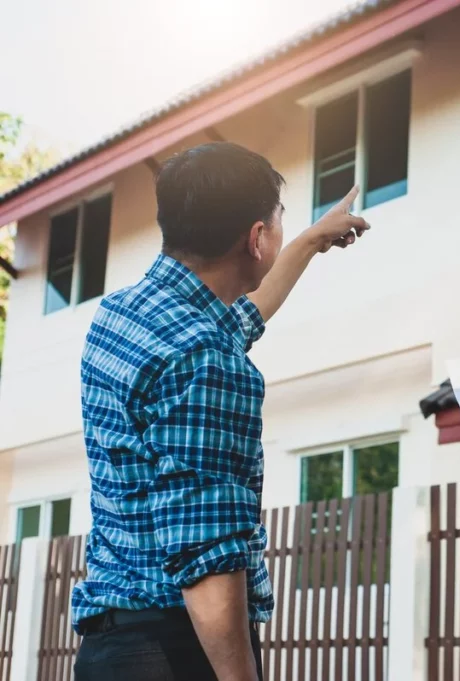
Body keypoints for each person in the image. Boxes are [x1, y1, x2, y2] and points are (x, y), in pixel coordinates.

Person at [72, 142, 369, 681]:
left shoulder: (122, 314)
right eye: (279, 223)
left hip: (108, 649)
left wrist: (306, 241)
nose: (281, 233)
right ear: (256, 239)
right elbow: (206, 553)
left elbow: (235, 323)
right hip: (174, 651)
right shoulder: (207, 361)